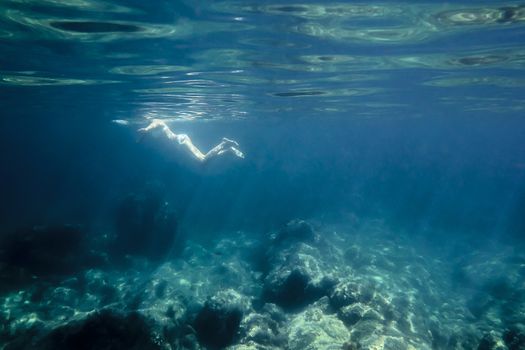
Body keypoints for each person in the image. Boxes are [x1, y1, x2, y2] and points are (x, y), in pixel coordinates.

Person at [137, 119, 244, 162]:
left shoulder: (155, 121)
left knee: (203, 160)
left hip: (179, 142)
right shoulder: (148, 131)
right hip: (180, 140)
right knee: (203, 159)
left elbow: (156, 124)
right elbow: (145, 136)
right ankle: (228, 150)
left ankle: (224, 144)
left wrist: (146, 129)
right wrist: (142, 137)